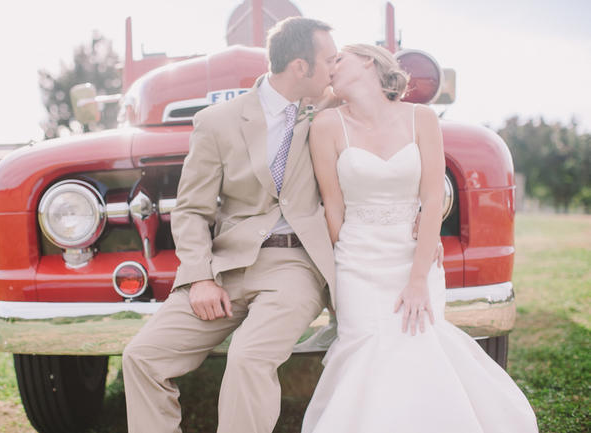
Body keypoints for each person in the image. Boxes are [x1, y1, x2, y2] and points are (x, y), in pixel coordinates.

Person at [301, 44, 539, 433]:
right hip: (356, 258)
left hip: (414, 252)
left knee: (419, 340)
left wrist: (416, 280)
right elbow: (334, 209)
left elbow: (432, 197)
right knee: (365, 347)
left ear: (368, 60)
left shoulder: (422, 118)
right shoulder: (326, 126)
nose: (329, 69)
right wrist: (336, 272)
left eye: (337, 60)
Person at [122, 17, 339, 433]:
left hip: (294, 266)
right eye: (329, 59)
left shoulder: (329, 109)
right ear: (299, 66)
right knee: (142, 356)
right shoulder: (217, 121)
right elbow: (190, 210)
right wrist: (200, 278)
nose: (336, 68)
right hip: (226, 268)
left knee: (248, 357)